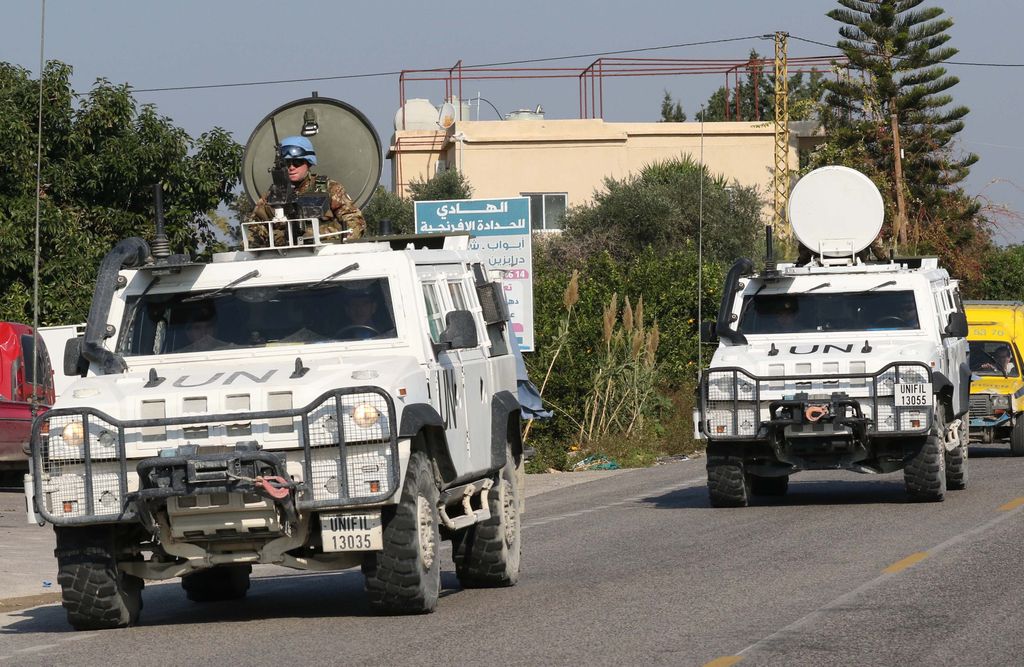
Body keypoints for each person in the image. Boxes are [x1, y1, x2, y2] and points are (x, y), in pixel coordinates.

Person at [249, 136, 366, 246]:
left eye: (297, 162)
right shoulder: (272, 196)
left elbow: (355, 222)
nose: (291, 167)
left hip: (325, 255)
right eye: (286, 163)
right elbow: (252, 230)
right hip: (284, 259)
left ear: (308, 163)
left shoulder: (330, 189)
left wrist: (317, 235)